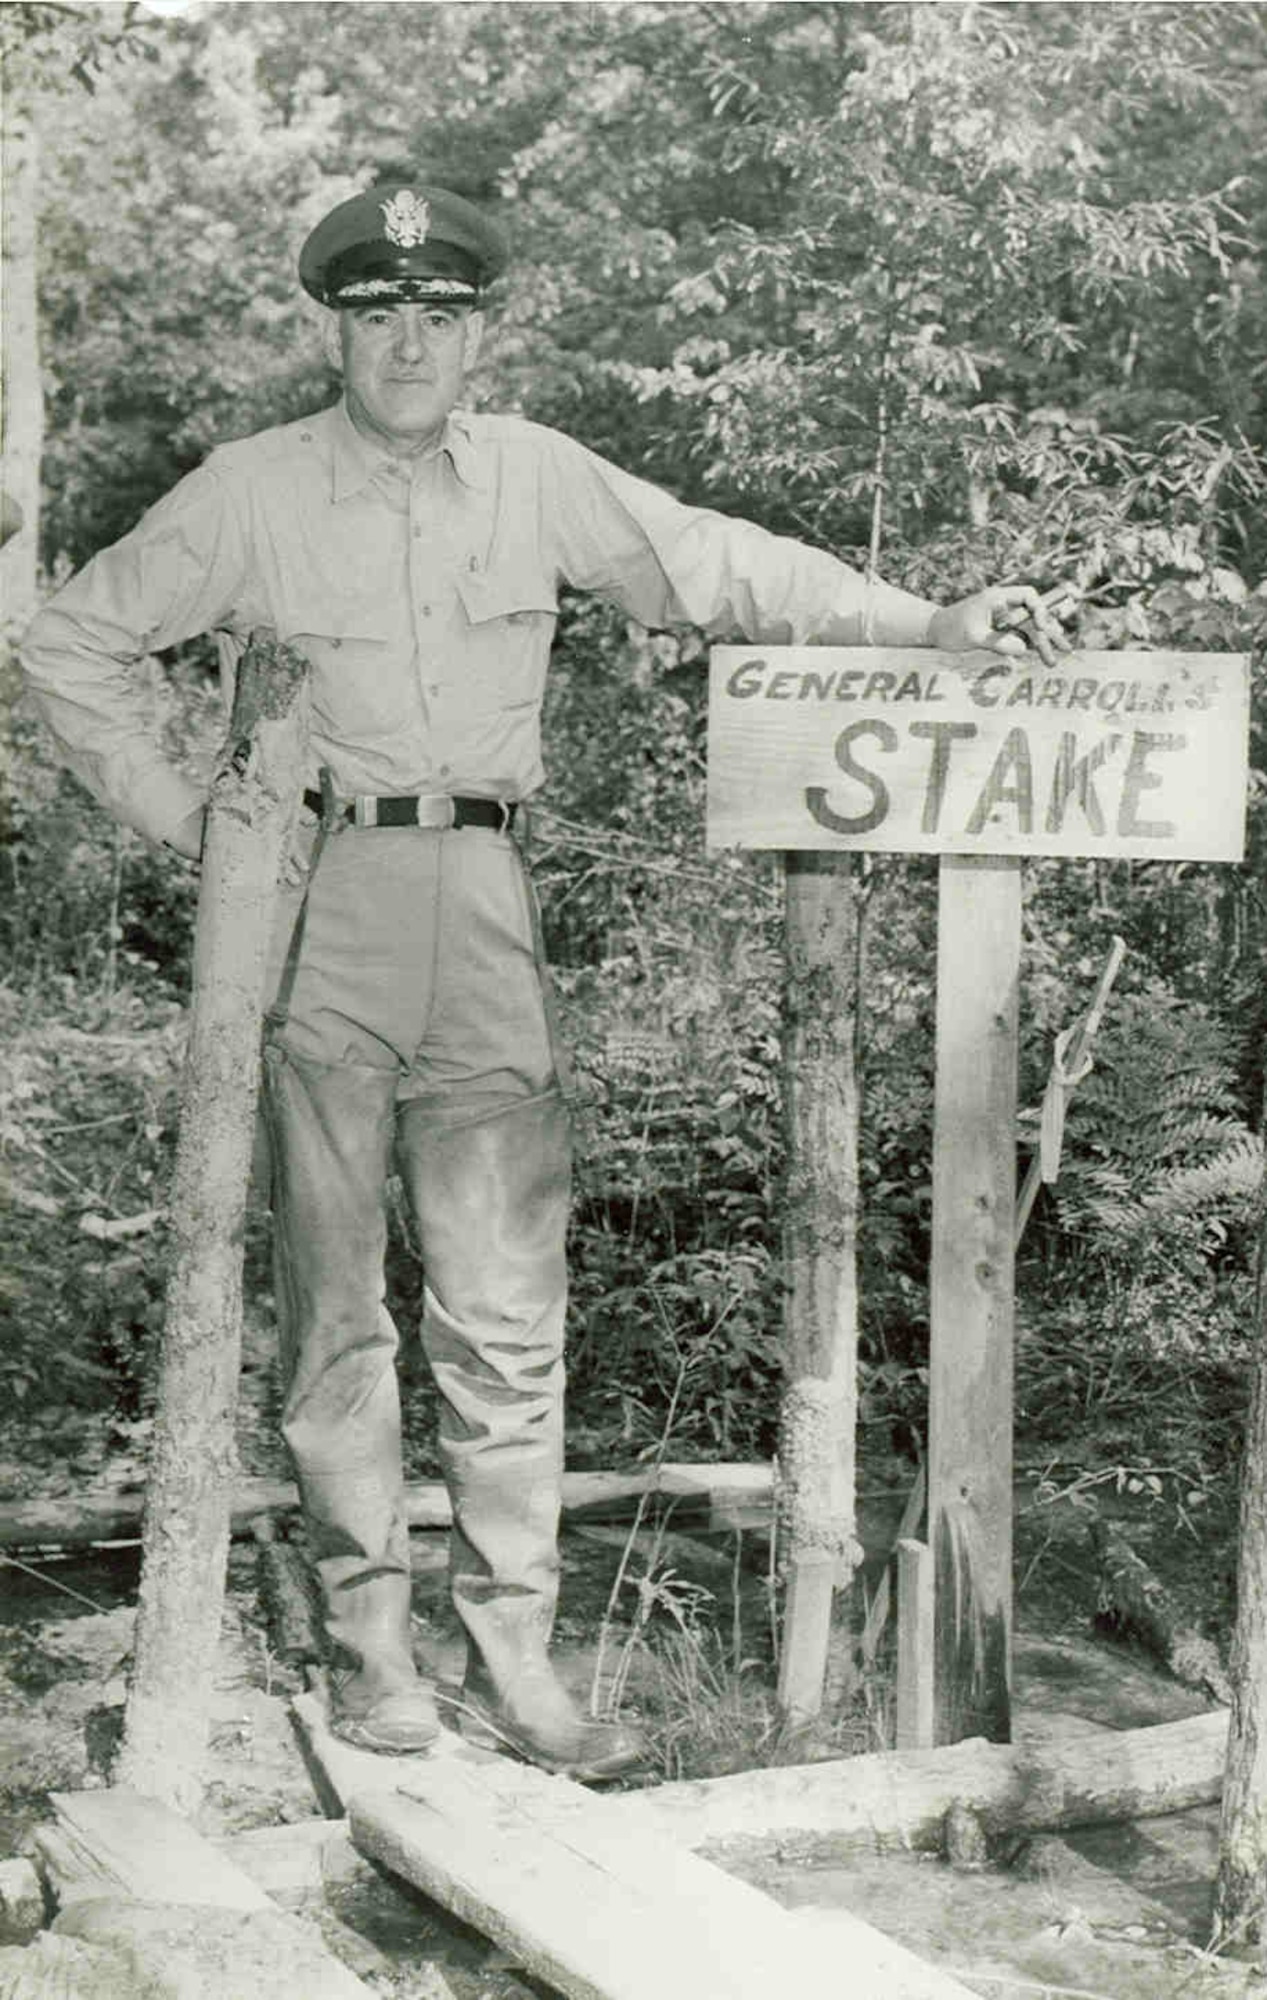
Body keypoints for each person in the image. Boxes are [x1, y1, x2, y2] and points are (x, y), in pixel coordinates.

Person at [21, 180, 1064, 1778]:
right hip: (322, 913)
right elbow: (71, 639)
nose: (413, 345)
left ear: (479, 332)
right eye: (381, 318)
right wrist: (196, 819)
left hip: (488, 908)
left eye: (442, 317)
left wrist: (930, 620)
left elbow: (714, 562)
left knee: (505, 1308)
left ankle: (517, 1655)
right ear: (339, 331)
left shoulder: (537, 479)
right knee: (336, 1314)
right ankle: (375, 1650)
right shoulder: (251, 492)